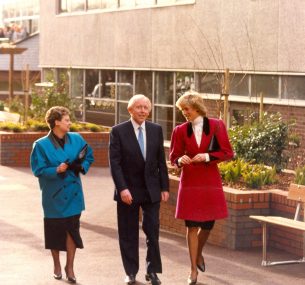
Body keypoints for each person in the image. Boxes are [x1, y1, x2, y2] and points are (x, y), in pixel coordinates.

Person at [169, 91, 234, 285]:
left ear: (196, 107)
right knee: (191, 226)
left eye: (186, 109)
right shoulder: (179, 130)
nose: (184, 113)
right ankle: (192, 271)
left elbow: (227, 152)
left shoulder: (216, 125)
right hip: (189, 182)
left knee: (207, 225)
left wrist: (206, 156)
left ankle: (198, 255)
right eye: (182, 110)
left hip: (209, 181)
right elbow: (174, 157)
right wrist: (180, 160)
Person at [109, 94, 169, 285]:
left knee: (152, 231)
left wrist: (164, 186)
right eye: (139, 107)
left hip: (152, 191)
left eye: (146, 107)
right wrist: (122, 189)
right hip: (128, 191)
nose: (143, 111)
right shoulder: (118, 131)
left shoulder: (156, 129)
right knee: (128, 233)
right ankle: (130, 272)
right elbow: (115, 164)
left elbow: (161, 161)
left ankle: (152, 271)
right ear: (130, 110)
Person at [30, 106, 94, 283]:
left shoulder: (77, 139)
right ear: (56, 122)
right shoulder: (40, 145)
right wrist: (56, 169)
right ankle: (57, 264)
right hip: (53, 197)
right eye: (67, 120)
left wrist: (81, 167)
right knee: (55, 232)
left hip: (74, 196)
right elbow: (38, 169)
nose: (70, 123)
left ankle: (70, 267)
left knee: (71, 232)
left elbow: (89, 156)